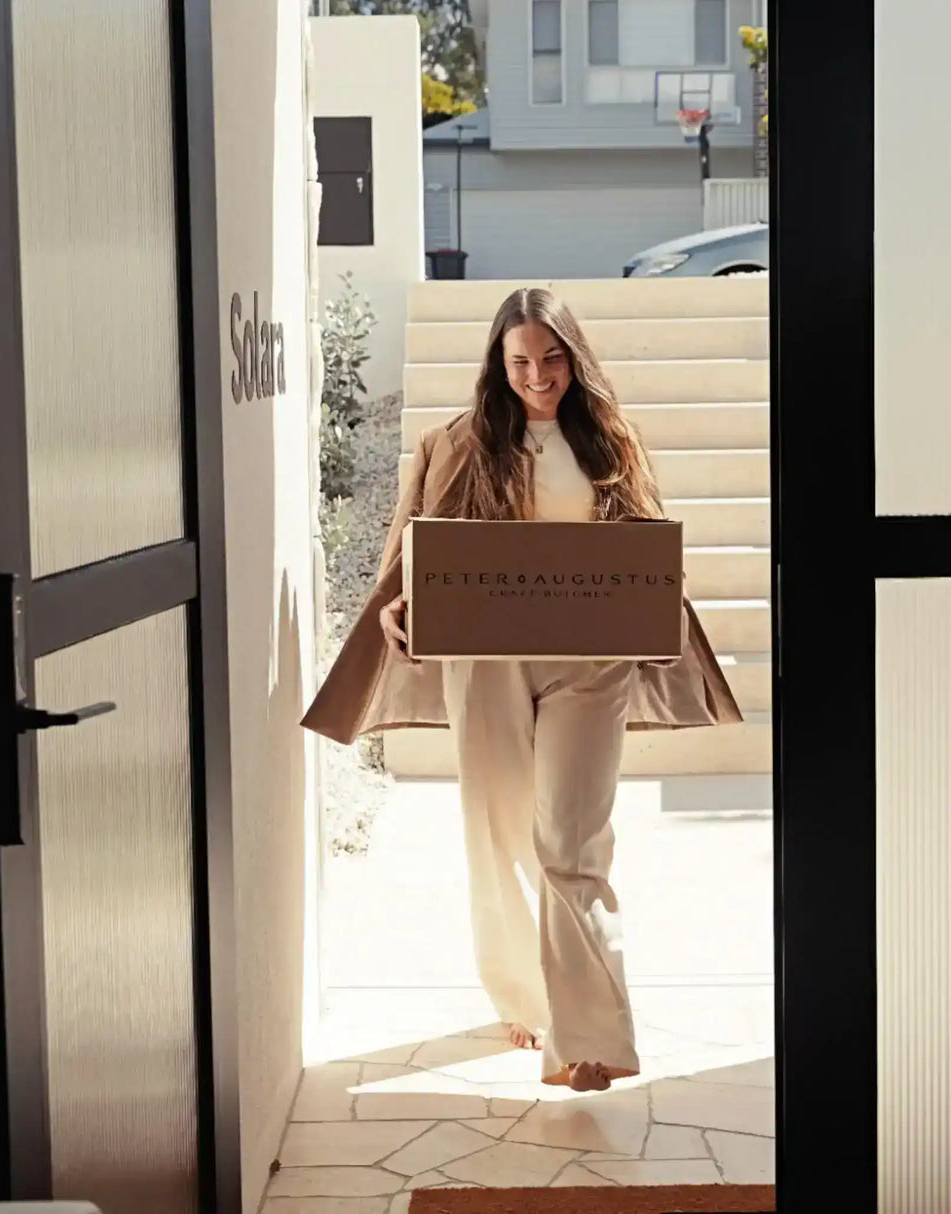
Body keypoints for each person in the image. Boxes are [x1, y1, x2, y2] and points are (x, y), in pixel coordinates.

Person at [303, 287, 742, 1091]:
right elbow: (415, 553)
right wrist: (400, 610)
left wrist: (658, 619)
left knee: (573, 842)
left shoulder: (613, 441)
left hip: (590, 663)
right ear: (497, 365)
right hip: (488, 662)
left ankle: (589, 1039)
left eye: (550, 357)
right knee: (501, 831)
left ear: (573, 357)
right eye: (520, 361)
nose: (537, 375)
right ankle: (525, 997)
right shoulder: (457, 443)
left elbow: (646, 550)